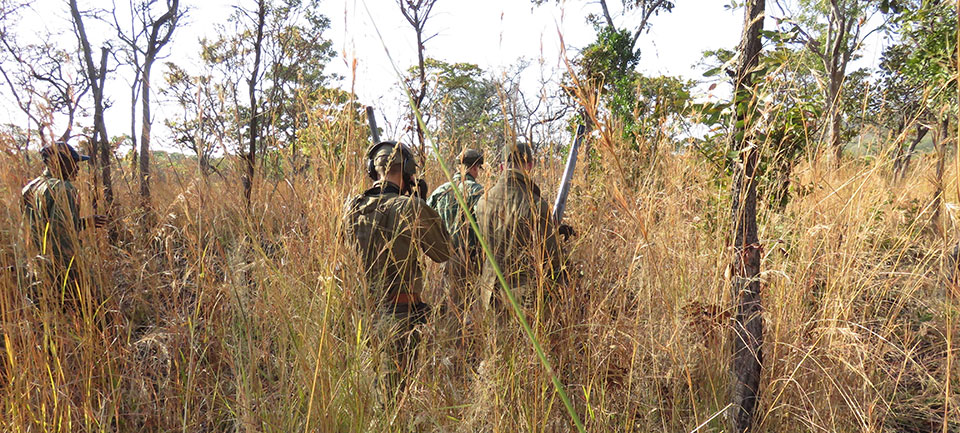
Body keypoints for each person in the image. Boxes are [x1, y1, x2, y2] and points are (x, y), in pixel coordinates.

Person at [342, 140, 451, 402]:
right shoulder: (409, 206)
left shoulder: (351, 207)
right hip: (400, 314)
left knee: (375, 387)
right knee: (394, 396)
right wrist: (421, 204)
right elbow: (443, 252)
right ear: (408, 170)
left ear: (372, 170)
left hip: (363, 311)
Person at [474, 142, 573, 317]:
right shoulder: (535, 204)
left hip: (489, 294)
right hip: (524, 299)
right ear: (529, 165)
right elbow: (550, 257)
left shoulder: (482, 201)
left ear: (502, 166)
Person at [21, 140, 106, 309]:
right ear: (60, 162)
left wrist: (83, 222)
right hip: (60, 269)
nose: (78, 168)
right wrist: (80, 276)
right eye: (74, 162)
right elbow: (63, 238)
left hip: (37, 266)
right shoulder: (65, 189)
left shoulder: (30, 187)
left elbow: (39, 226)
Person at [426, 148, 485, 318]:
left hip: (447, 259)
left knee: (452, 308)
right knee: (473, 310)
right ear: (474, 168)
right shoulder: (477, 191)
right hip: (473, 259)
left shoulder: (439, 192)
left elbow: (426, 223)